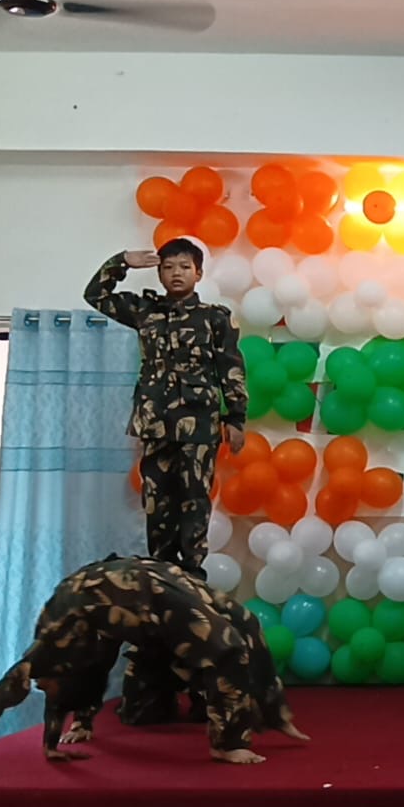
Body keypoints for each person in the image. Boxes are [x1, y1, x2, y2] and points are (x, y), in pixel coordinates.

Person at [0, 556, 306, 777]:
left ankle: (261, 721)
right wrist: (57, 740)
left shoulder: (55, 646)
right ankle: (230, 742)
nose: (41, 689)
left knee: (240, 631)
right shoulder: (67, 646)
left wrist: (68, 728)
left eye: (43, 685)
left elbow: (41, 688)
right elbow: (73, 680)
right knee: (229, 644)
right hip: (130, 586)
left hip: (148, 585)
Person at [84, 239, 248, 575]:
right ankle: (162, 575)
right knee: (157, 501)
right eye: (168, 267)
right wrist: (122, 261)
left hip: (198, 424)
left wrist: (236, 418)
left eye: (185, 267)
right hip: (155, 422)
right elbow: (95, 295)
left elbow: (230, 368)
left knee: (194, 499)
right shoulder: (145, 310)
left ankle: (191, 576)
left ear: (198, 273)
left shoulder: (214, 318)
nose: (176, 273)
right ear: (159, 273)